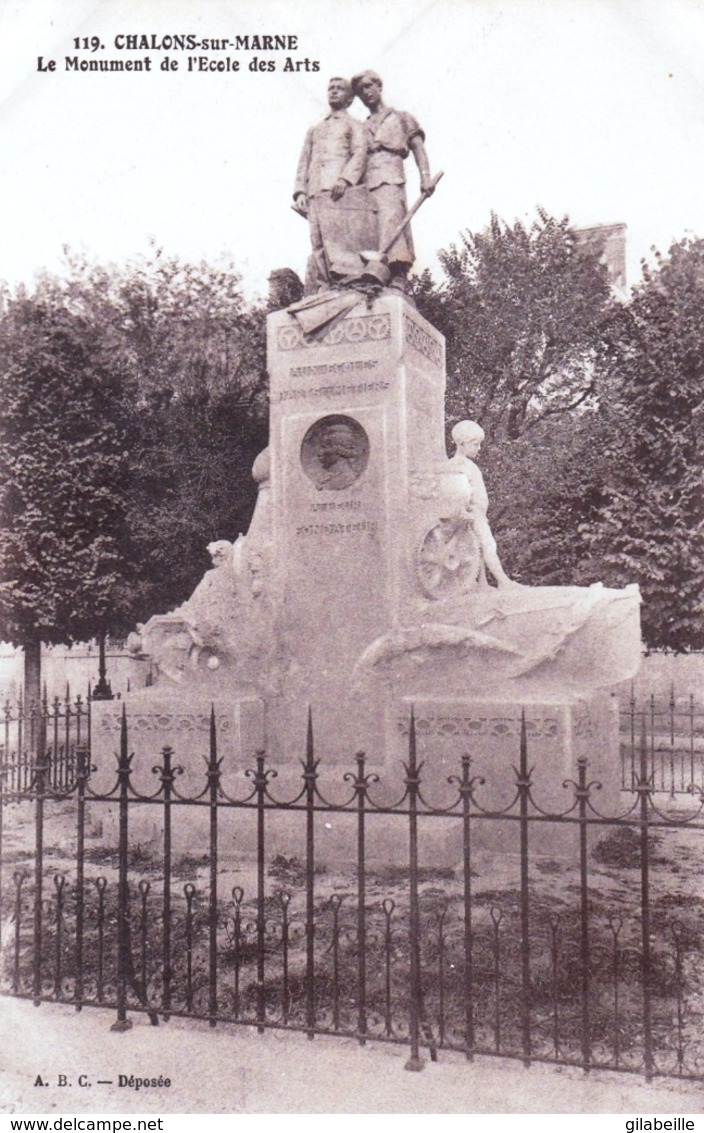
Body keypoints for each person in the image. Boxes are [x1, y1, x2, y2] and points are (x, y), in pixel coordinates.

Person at [351, 69, 434, 292]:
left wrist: (425, 177)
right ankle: (375, 273)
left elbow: (418, 148)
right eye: (360, 91)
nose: (365, 92)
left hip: (390, 175)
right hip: (365, 180)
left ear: (379, 86)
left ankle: (398, 273)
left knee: (392, 219)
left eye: (369, 86)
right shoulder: (360, 127)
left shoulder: (401, 117)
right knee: (369, 228)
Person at [293, 76, 373, 293]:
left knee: (337, 239)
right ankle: (324, 285)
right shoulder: (316, 129)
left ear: (349, 98)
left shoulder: (355, 125)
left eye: (339, 89)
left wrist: (345, 179)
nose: (334, 92)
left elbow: (359, 153)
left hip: (338, 190)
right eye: (331, 88)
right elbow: (304, 161)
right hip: (314, 191)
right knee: (317, 241)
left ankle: (345, 282)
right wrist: (299, 191)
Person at [448, 420, 515, 588]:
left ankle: (483, 583)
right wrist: (465, 509)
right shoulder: (460, 465)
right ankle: (503, 582)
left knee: (477, 547)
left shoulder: (465, 465)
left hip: (478, 512)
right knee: (488, 545)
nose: (478, 448)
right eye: (475, 444)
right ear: (462, 444)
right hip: (473, 513)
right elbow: (460, 491)